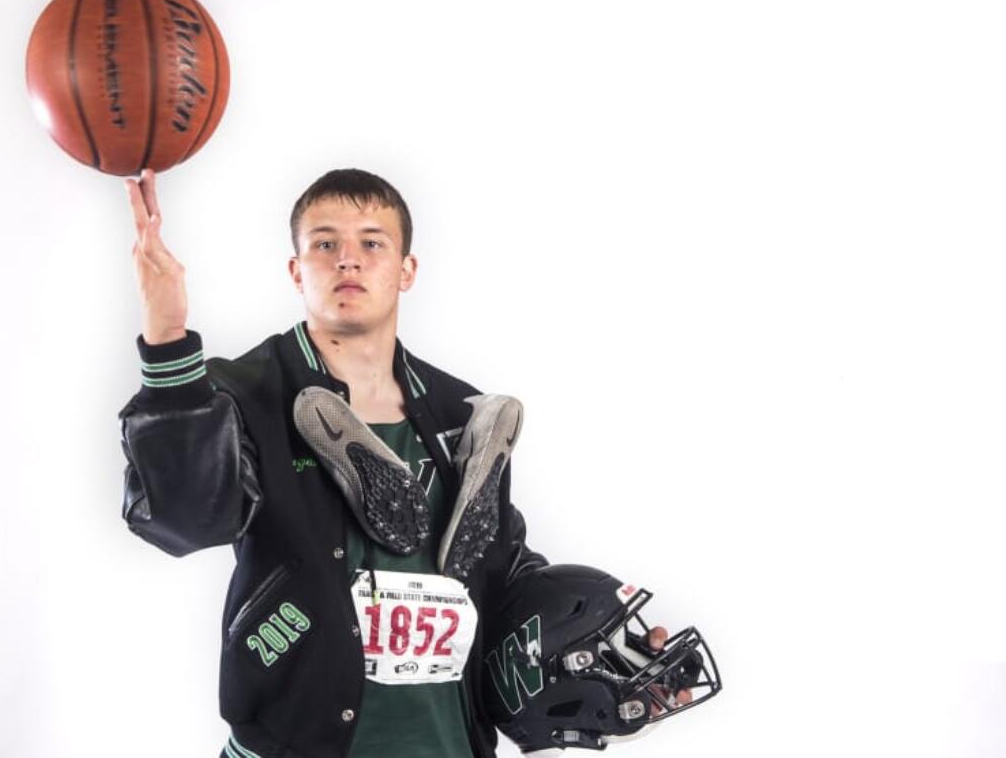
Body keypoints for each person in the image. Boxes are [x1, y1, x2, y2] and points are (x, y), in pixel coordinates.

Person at [117, 167, 685, 758]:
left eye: (372, 242)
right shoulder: (246, 395)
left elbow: (497, 574)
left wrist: (612, 661)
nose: (347, 260)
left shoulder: (462, 417)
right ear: (296, 270)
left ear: (406, 269)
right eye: (324, 243)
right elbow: (183, 521)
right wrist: (168, 344)